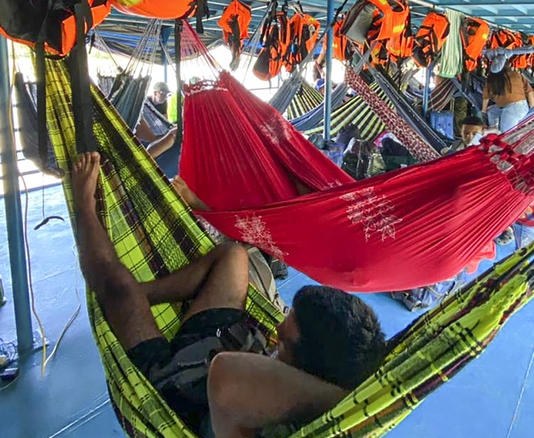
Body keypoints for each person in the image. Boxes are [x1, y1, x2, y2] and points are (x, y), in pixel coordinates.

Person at [72, 154, 386, 437]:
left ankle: (84, 206)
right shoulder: (321, 365)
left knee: (117, 286)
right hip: (226, 341)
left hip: (179, 384)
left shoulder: (274, 421)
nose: (276, 331)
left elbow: (225, 373)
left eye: (286, 341)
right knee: (234, 257)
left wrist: (345, 398)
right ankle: (141, 297)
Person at [481, 67, 534, 133]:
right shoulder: (516, 74)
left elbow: (486, 98)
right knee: (492, 111)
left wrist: (483, 111)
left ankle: (495, 131)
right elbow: (529, 92)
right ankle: (494, 129)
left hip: (511, 112)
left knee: (507, 136)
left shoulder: (491, 79)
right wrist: (533, 110)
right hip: (522, 107)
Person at [136, 81, 176, 158]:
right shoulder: (144, 103)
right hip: (148, 131)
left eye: (166, 95)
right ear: (155, 93)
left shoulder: (163, 103)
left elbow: (164, 121)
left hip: (157, 130)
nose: (164, 97)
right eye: (162, 94)